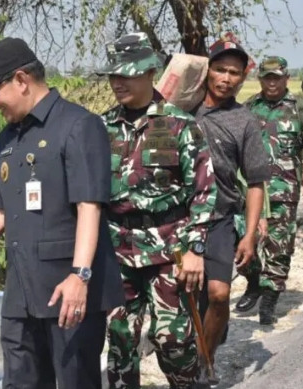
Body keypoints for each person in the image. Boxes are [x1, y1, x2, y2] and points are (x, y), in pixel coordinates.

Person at [0, 37, 124, 388]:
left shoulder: (78, 126)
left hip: (68, 291)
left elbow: (89, 207)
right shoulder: (8, 138)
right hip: (22, 292)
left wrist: (80, 275)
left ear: (20, 80)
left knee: (76, 381)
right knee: (23, 383)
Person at [97, 33, 217, 389]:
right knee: (120, 338)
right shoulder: (100, 127)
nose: (118, 83)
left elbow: (205, 189)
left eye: (127, 75)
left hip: (169, 247)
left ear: (150, 72)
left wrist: (195, 250)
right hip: (117, 247)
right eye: (113, 76)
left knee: (171, 338)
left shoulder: (180, 124)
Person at [191, 39, 271, 370]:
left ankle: (204, 363)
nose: (226, 78)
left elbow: (255, 183)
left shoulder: (244, 120)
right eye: (220, 69)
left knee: (219, 294)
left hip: (220, 218)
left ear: (242, 78)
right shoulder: (182, 108)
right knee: (188, 299)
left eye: (234, 73)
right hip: (177, 219)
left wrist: (250, 234)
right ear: (207, 70)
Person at [234, 56, 303, 325]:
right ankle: (253, 281)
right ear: (259, 79)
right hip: (250, 189)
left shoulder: (301, 108)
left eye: (277, 77)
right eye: (267, 77)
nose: (272, 83)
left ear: (286, 78)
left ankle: (271, 296)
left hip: (283, 190)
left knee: (279, 246)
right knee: (242, 239)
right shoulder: (247, 109)